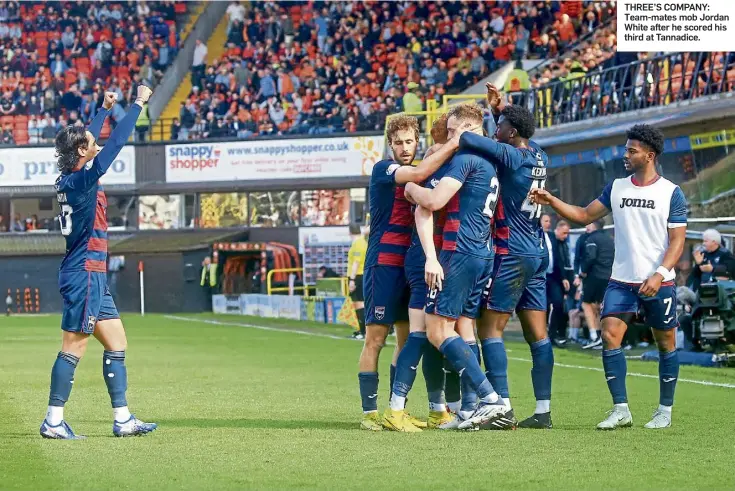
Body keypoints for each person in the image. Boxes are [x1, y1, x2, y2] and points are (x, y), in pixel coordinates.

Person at [530, 124, 687, 430]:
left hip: (659, 281)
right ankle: (621, 409)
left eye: (632, 150)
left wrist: (660, 273)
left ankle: (664, 410)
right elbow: (585, 215)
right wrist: (552, 201)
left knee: (666, 343)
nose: (625, 154)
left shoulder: (671, 193)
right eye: (626, 149)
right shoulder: (616, 188)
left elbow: (677, 241)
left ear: (650, 155)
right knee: (609, 334)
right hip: (621, 280)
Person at [41, 85, 157, 439]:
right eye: (91, 143)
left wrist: (104, 109)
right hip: (84, 274)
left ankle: (122, 419)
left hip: (92, 276)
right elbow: (115, 145)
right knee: (73, 346)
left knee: (117, 341)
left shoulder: (71, 178)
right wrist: (137, 104)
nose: (98, 143)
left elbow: (87, 142)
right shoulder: (84, 179)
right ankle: (54, 421)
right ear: (81, 151)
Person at [358, 114, 468, 431]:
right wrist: (456, 141)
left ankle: (398, 411)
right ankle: (369, 414)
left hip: (410, 266)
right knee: (375, 339)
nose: (404, 148)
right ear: (390, 145)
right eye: (398, 142)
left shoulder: (423, 173)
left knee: (407, 341)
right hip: (383, 264)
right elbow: (420, 171)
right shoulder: (385, 169)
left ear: (416, 142)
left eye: (409, 142)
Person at [405, 102, 509, 431]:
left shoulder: (466, 159)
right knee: (464, 328)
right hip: (482, 253)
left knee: (437, 331)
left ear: (467, 130)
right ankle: (469, 410)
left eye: (452, 131)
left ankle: (491, 400)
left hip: (460, 253)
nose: (449, 137)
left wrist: (411, 187)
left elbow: (433, 201)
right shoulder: (490, 162)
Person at [457, 83, 553, 430]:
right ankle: (543, 410)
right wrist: (500, 111)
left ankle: (502, 407)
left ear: (511, 133)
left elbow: (469, 140)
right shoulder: (540, 154)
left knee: (490, 330)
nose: (494, 132)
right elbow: (513, 132)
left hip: (512, 252)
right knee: (538, 335)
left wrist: (466, 128)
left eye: (499, 128)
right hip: (538, 252)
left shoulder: (512, 156)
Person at [580, 220, 615, 349]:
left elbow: (591, 257)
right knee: (601, 306)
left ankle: (594, 336)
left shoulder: (592, 238)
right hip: (609, 276)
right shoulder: (610, 239)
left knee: (586, 304)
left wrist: (582, 272)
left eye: (588, 223)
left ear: (593, 225)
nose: (586, 225)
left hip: (595, 276)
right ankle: (604, 337)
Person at [546, 220, 573, 346]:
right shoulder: (549, 238)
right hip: (543, 277)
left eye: (567, 233)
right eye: (564, 233)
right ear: (557, 230)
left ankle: (553, 334)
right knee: (544, 306)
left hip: (555, 277)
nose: (566, 236)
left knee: (558, 304)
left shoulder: (563, 244)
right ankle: (543, 333)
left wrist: (563, 278)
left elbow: (560, 262)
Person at [347, 224, 368, 340]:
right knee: (360, 303)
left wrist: (352, 280)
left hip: (358, 275)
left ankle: (363, 331)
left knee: (359, 303)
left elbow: (356, 263)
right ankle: (362, 330)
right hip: (360, 275)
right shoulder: (362, 242)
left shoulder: (358, 243)